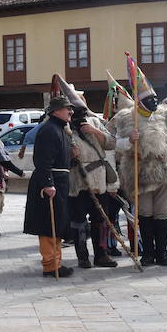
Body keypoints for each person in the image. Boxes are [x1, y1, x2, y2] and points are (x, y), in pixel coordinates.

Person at [112, 80, 167, 268]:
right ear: (139, 102)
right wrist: (130, 140)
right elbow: (117, 145)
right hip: (140, 172)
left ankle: (162, 252)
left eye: (155, 97)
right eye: (149, 98)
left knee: (162, 213)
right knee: (145, 213)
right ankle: (147, 253)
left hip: (164, 170)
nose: (154, 101)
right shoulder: (126, 118)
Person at [61, 85, 118, 269]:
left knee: (100, 220)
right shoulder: (63, 128)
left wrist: (95, 132)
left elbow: (111, 143)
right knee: (78, 222)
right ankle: (82, 257)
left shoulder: (94, 122)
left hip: (99, 181)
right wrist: (69, 154)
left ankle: (101, 255)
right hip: (77, 183)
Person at [24, 95, 74, 277]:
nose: (70, 111)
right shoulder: (49, 130)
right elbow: (43, 160)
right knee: (48, 225)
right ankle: (50, 264)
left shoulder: (60, 129)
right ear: (55, 111)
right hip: (50, 183)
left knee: (58, 224)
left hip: (59, 181)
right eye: (66, 108)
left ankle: (56, 262)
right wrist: (48, 184)